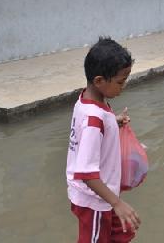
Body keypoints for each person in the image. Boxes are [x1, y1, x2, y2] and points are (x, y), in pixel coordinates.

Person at [67, 37, 141, 242]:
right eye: (120, 82)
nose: (123, 86)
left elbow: (88, 131)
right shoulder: (94, 120)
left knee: (121, 233)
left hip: (104, 194)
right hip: (94, 201)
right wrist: (117, 203)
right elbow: (86, 174)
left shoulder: (87, 101)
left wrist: (113, 122)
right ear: (99, 81)